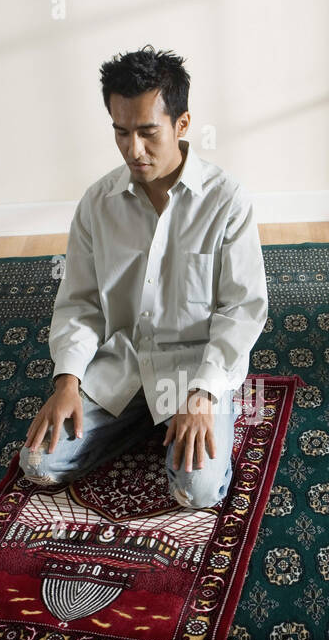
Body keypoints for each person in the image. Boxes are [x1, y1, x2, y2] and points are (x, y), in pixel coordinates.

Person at [20, 45, 269, 509]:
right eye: (121, 132)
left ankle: (196, 415)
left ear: (183, 124)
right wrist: (67, 382)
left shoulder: (227, 201)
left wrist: (201, 395)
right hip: (125, 365)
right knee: (38, 464)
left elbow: (243, 310)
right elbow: (81, 302)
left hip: (195, 374)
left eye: (148, 132)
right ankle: (146, 420)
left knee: (196, 493)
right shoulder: (97, 204)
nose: (133, 150)